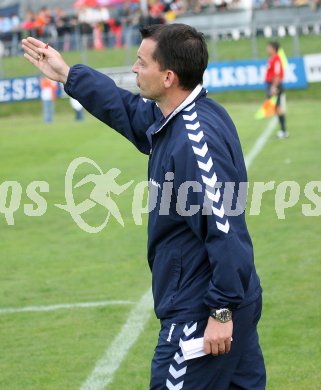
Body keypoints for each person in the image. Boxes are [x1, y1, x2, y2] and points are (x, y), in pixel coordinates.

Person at [22, 24, 266, 389]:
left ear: (168, 76)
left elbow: (224, 226)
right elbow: (128, 111)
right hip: (222, 299)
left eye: (141, 62)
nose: (134, 69)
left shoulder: (193, 138)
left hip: (202, 310)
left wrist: (220, 309)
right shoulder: (179, 117)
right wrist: (69, 75)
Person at [265, 41, 288, 139]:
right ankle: (282, 130)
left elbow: (277, 74)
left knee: (278, 107)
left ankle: (283, 130)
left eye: (268, 47)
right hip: (271, 84)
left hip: (275, 85)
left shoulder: (277, 59)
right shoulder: (272, 59)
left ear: (273, 48)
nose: (267, 49)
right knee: (275, 107)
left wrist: (274, 87)